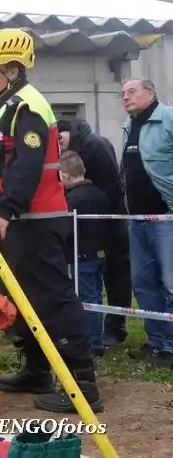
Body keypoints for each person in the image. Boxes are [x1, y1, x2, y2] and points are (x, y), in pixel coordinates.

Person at [0, 28, 101, 413]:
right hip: (22, 222)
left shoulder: (26, 107)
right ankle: (37, 369)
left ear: (12, 70)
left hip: (35, 220)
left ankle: (82, 384)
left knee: (52, 298)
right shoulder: (11, 106)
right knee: (23, 299)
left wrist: (4, 210)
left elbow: (27, 166)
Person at [58, 118, 130, 347]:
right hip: (96, 244)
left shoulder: (95, 146)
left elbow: (112, 186)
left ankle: (96, 338)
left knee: (91, 292)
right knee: (95, 293)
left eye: (60, 139)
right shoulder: (90, 191)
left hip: (88, 249)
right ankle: (97, 336)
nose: (59, 145)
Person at [119, 78, 173, 368]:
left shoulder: (169, 118)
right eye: (122, 94)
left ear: (150, 93)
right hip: (136, 220)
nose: (125, 98)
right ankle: (156, 341)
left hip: (166, 218)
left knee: (170, 283)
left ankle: (171, 346)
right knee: (143, 283)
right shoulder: (129, 126)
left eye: (131, 92)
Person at [59, 151, 111, 356]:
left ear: (65, 177)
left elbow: (67, 230)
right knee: (96, 296)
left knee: (85, 300)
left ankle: (91, 343)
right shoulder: (100, 194)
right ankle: (97, 338)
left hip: (80, 257)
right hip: (99, 255)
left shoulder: (71, 200)